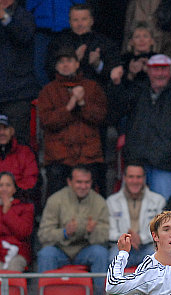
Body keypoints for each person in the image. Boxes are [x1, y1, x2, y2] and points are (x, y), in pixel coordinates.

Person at [109, 52, 171, 199]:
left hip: (164, 163)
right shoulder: (136, 90)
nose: (160, 74)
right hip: (136, 162)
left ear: (170, 71)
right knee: (132, 208)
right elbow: (117, 108)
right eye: (156, 69)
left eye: (164, 69)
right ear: (148, 70)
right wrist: (116, 84)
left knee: (164, 209)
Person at [37, 45, 107, 196]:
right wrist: (69, 107)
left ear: (77, 64)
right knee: (57, 201)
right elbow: (46, 121)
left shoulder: (92, 87)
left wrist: (82, 103)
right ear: (56, 67)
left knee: (91, 201)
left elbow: (101, 117)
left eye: (69, 60)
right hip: (59, 158)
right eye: (61, 62)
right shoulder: (48, 91)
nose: (65, 65)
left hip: (88, 156)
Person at [37, 164, 109, 295]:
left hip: (85, 250)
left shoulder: (99, 202)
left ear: (91, 183)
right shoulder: (55, 200)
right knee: (45, 254)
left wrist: (92, 232)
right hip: (60, 250)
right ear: (69, 182)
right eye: (79, 182)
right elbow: (43, 234)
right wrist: (64, 232)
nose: (83, 186)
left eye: (87, 182)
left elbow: (105, 236)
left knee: (100, 253)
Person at [106, 162, 166, 268]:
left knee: (159, 258)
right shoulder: (112, 201)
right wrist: (128, 238)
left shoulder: (158, 200)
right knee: (113, 259)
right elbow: (110, 232)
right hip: (122, 247)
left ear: (144, 178)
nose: (135, 181)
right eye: (131, 177)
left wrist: (141, 238)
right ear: (124, 178)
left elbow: (160, 230)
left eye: (138, 177)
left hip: (148, 246)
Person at [47, 3, 120, 83]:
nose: (79, 24)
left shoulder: (105, 43)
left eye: (84, 19)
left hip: (96, 88)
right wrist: (73, 61)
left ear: (92, 21)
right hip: (66, 87)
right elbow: (50, 71)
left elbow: (115, 74)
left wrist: (98, 64)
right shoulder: (59, 43)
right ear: (69, 22)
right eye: (75, 20)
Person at [0, 0, 38, 148]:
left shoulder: (24, 16)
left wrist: (4, 18)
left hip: (17, 94)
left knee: (19, 143)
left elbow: (24, 36)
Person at [0, 113, 39, 206]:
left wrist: (12, 192)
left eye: (5, 128)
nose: (2, 133)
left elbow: (31, 180)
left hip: (18, 201)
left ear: (12, 131)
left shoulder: (25, 152)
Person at [0, 171, 34, 271]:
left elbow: (23, 232)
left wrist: (7, 212)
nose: (4, 189)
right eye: (1, 185)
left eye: (8, 185)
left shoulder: (26, 207)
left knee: (14, 267)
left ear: (14, 189)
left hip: (18, 252)